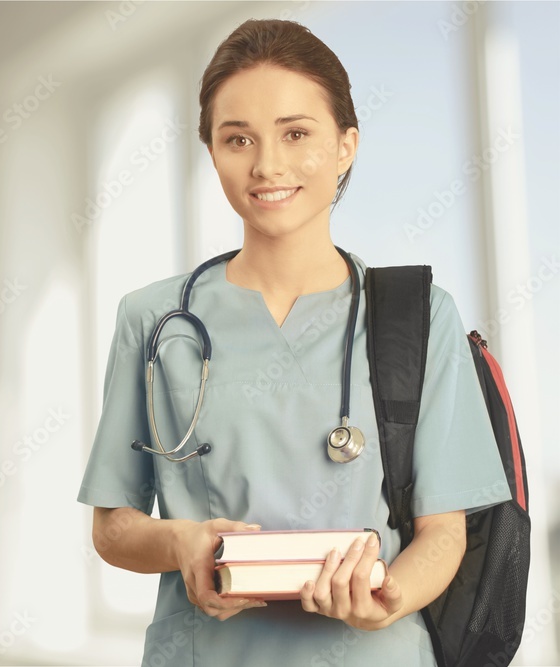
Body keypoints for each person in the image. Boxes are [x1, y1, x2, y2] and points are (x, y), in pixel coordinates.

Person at [76, 18, 513, 666]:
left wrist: (387, 597)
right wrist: (183, 542)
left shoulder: (418, 318)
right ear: (213, 152)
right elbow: (113, 527)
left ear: (346, 145)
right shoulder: (154, 319)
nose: (266, 165)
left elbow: (445, 531)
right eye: (238, 138)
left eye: (296, 133)